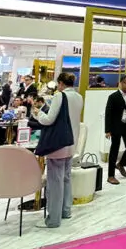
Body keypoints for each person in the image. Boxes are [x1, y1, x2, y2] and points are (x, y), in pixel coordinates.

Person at [33, 73, 82, 228]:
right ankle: (66, 211)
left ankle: (53, 219)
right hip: (71, 142)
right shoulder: (79, 97)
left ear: (60, 83)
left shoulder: (60, 96)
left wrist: (38, 113)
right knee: (66, 178)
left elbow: (49, 119)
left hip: (58, 144)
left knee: (55, 181)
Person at [104, 75, 126, 185]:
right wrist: (107, 130)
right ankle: (110, 176)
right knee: (114, 150)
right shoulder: (113, 97)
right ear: (121, 83)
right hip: (116, 126)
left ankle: (121, 164)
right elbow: (108, 113)